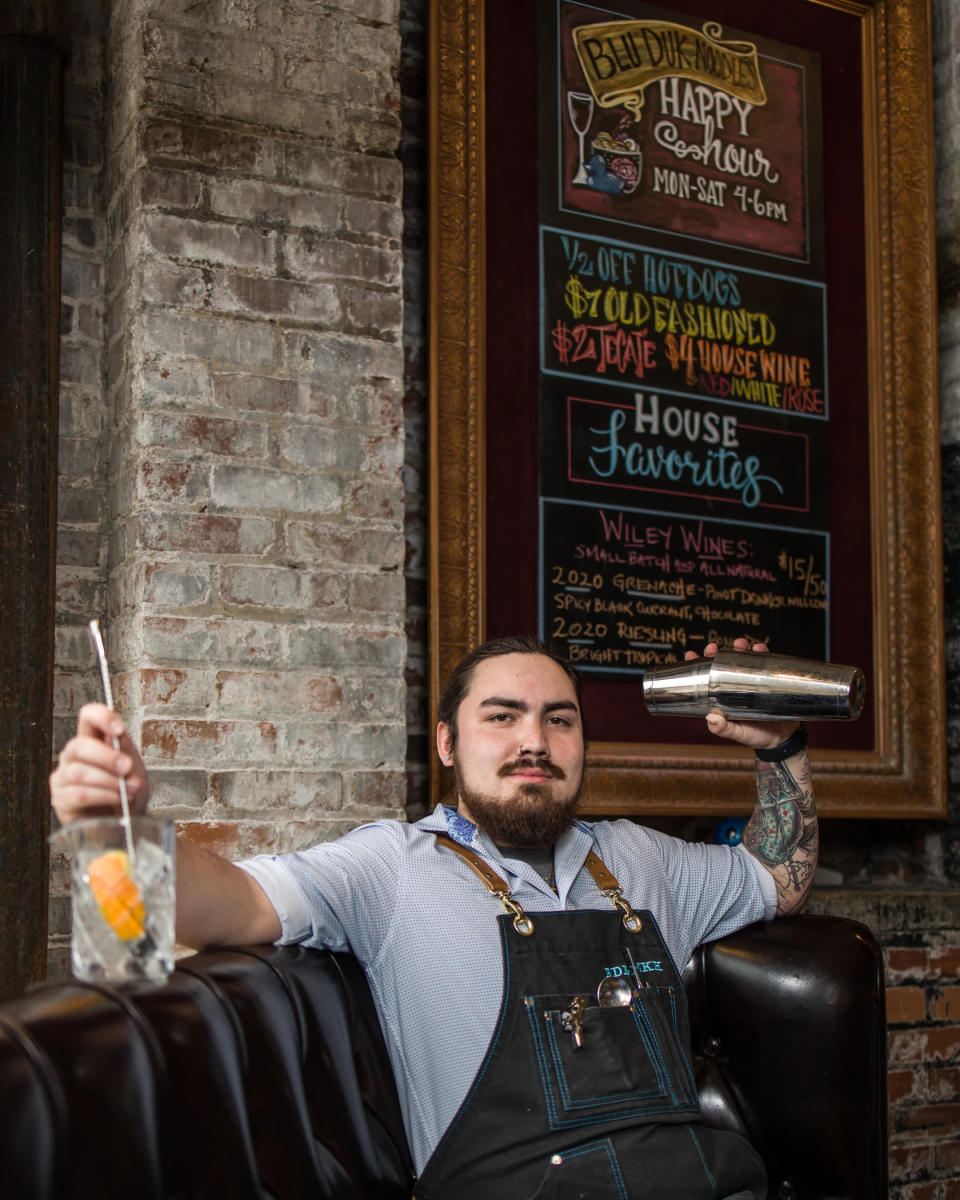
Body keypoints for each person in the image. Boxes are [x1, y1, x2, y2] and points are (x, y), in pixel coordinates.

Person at [51, 633, 817, 1199]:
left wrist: (779, 746)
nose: (533, 743)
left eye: (560, 720)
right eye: (503, 717)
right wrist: (111, 836)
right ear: (448, 743)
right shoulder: (391, 868)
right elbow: (221, 905)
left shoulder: (644, 859)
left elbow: (777, 880)